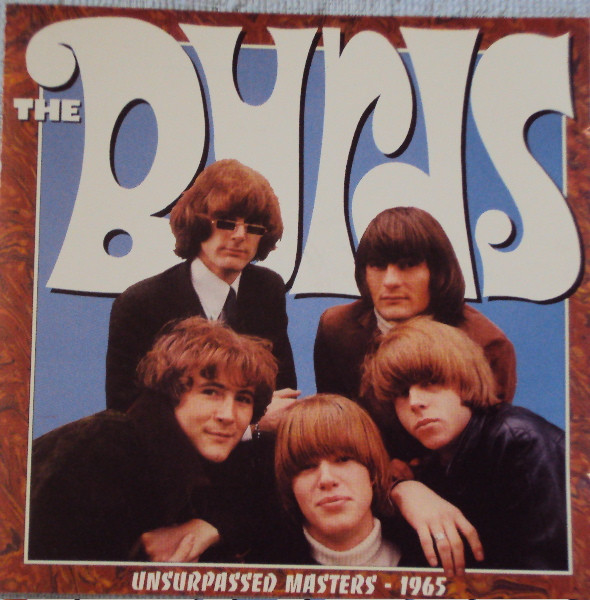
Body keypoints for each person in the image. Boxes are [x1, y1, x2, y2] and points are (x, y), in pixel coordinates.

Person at [29, 317, 278, 562]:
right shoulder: (103, 446)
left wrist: (209, 528)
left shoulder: (193, 454)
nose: (228, 415)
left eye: (243, 398)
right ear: (172, 391)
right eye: (210, 392)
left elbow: (263, 509)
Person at [361, 317, 568, 571]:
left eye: (429, 382)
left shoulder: (518, 441)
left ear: (465, 378)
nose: (415, 402)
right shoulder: (435, 464)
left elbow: (549, 579)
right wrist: (403, 490)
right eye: (401, 393)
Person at [106, 158, 298, 413]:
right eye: (226, 223)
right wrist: (252, 427)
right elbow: (125, 414)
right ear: (196, 224)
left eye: (253, 227)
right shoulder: (140, 304)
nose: (240, 235)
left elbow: (283, 393)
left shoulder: (266, 289)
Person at [314, 207, 516, 415]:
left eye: (407, 265)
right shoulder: (337, 327)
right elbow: (333, 424)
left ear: (438, 272)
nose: (390, 281)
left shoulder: (486, 344)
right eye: (377, 266)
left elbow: (491, 433)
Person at [270, 394, 423, 567]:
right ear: (290, 485)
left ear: (372, 471)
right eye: (307, 466)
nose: (326, 479)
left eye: (343, 459)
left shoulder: (427, 556)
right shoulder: (264, 564)